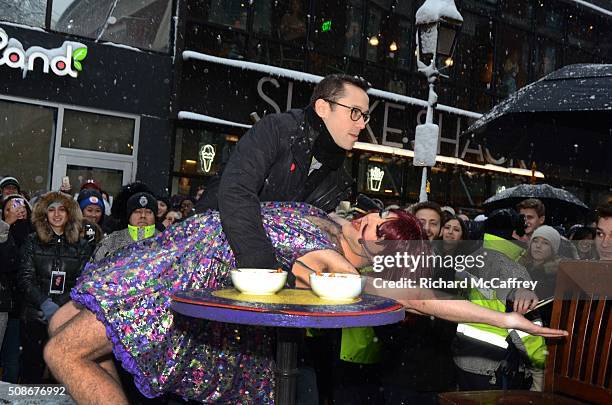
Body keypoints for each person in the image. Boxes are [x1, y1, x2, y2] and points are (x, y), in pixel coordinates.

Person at [43, 203, 566, 403]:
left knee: (61, 354)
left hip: (179, 282)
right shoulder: (334, 218)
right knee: (61, 327)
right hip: (168, 253)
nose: (365, 227)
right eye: (373, 218)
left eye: (377, 236)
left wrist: (504, 317)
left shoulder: (337, 266)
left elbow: (431, 304)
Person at [197, 74, 371, 269]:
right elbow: (237, 192)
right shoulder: (277, 130)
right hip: (204, 252)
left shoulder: (338, 178)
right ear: (323, 108)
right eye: (355, 112)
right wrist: (263, 267)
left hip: (256, 274)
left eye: (364, 115)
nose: (362, 124)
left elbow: (305, 234)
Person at [17, 191, 92, 382]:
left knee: (60, 376)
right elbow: (25, 279)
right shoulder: (32, 242)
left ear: (69, 214)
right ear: (44, 214)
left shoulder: (81, 246)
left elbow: (83, 281)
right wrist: (44, 303)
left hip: (67, 318)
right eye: (51, 210)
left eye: (62, 210)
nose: (57, 215)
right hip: (35, 317)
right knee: (30, 374)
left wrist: (59, 305)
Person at [93, 192, 158, 262]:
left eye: (148, 212)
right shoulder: (111, 241)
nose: (143, 216)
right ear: (129, 216)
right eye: (137, 212)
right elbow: (94, 267)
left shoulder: (164, 240)